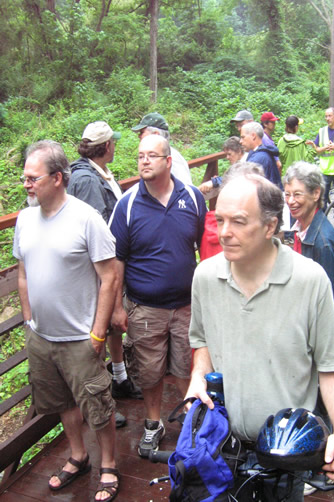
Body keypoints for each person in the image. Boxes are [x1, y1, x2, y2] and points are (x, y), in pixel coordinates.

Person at [186, 171, 334, 501]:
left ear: (269, 226)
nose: (224, 233)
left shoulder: (310, 280)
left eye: (238, 221)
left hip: (287, 452)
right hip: (221, 442)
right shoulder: (205, 276)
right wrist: (197, 376)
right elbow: (202, 340)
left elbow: (332, 365)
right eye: (219, 219)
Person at [13, 140, 120, 502]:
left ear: (57, 178)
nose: (26, 184)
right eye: (24, 178)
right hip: (42, 336)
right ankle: (78, 456)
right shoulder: (25, 219)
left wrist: (99, 332)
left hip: (80, 337)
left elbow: (110, 277)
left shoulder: (85, 219)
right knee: (62, 403)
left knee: (98, 407)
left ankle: (108, 464)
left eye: (32, 178)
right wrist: (29, 321)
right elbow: (24, 273)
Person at [109, 134, 207, 458]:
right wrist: (116, 307)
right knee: (149, 373)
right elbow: (116, 260)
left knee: (186, 369)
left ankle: (192, 426)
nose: (144, 161)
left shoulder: (192, 198)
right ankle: (154, 424)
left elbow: (205, 249)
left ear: (168, 161)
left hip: (187, 306)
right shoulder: (128, 204)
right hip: (144, 308)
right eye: (140, 156)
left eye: (152, 155)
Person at [68, 122, 143, 418]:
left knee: (113, 323)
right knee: (97, 325)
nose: (116, 147)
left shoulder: (101, 173)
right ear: (106, 146)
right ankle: (99, 397)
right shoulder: (87, 179)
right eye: (113, 143)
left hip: (109, 263)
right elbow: (95, 225)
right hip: (96, 269)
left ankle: (120, 378)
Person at [283, 161, 334, 340]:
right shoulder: (303, 231)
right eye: (287, 194)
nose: (291, 201)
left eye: (297, 194)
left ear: (316, 193)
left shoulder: (323, 243)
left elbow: (331, 304)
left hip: (321, 338)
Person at [131, 112, 192, 185]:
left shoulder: (172, 157)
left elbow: (185, 187)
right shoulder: (166, 154)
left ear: (155, 134)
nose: (139, 136)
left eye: (142, 132)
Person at [240, 122, 283, 190]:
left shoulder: (259, 158)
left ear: (253, 136)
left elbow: (248, 185)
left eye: (243, 137)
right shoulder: (262, 152)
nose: (240, 141)